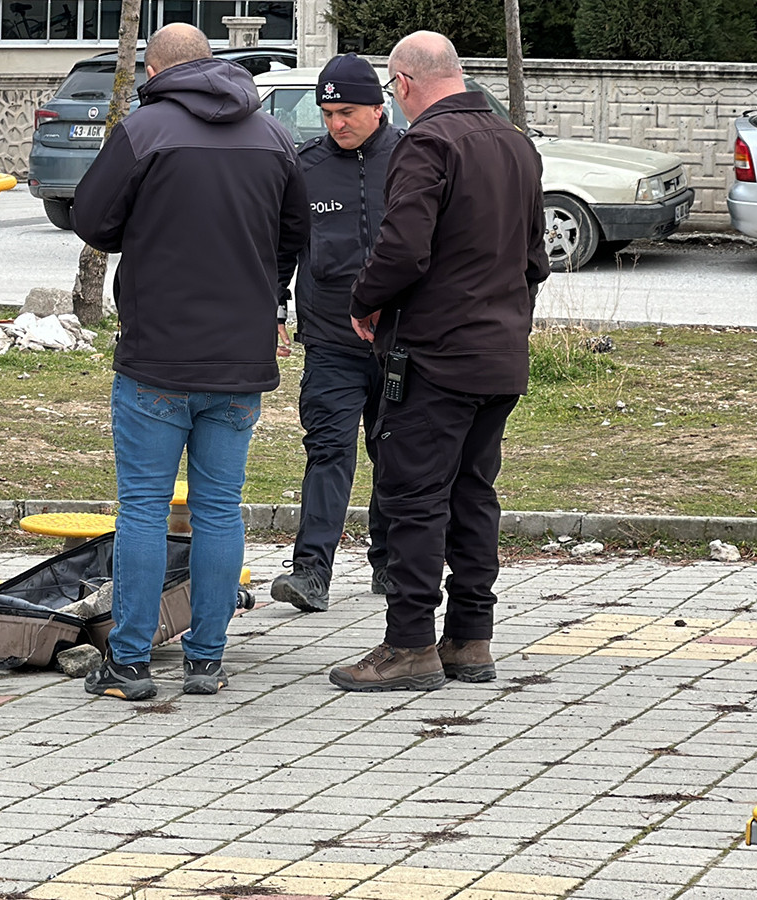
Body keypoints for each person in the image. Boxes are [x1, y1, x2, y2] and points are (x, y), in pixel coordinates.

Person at [72, 23, 309, 700]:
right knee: (219, 508)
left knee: (144, 508)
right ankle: (207, 661)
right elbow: (296, 234)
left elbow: (93, 219)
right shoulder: (273, 136)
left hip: (158, 355)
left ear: (155, 68)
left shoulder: (146, 131)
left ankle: (130, 665)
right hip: (240, 358)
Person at [329, 31, 549, 691]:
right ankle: (471, 638)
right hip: (500, 355)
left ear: (400, 84)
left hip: (434, 356)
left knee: (414, 498)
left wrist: (364, 302)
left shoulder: (427, 144)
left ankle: (409, 645)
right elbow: (535, 257)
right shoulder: (517, 143)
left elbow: (403, 249)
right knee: (474, 494)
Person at [270, 53, 401, 614]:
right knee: (328, 450)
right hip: (329, 340)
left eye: (346, 112)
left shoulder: (413, 158)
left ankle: (391, 566)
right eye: (326, 114)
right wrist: (274, 308)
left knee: (395, 454)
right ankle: (311, 572)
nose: (335, 124)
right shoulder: (306, 167)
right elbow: (279, 249)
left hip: (402, 341)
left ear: (379, 108)